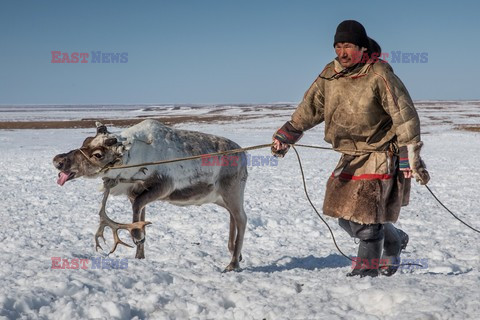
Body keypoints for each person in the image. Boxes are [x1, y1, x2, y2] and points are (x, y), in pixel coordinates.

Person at [271, 20, 430, 277]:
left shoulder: (379, 74)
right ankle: (394, 240)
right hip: (350, 156)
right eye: (338, 46)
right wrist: (288, 133)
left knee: (367, 222)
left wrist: (407, 154)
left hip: (380, 154)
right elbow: (311, 107)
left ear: (362, 48)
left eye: (348, 46)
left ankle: (366, 274)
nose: (342, 52)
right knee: (344, 213)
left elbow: (404, 115)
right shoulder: (330, 74)